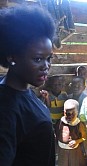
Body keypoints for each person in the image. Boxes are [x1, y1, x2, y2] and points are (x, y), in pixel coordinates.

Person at [0, 6, 55, 165]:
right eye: (38, 59)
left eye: (49, 58)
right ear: (12, 57)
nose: (46, 66)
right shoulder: (5, 109)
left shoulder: (23, 90)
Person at [55, 99, 87, 166]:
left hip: (74, 152)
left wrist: (77, 141)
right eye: (68, 114)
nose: (70, 116)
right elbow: (57, 135)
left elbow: (84, 137)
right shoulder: (60, 122)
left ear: (77, 113)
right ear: (64, 113)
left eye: (73, 114)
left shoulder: (79, 124)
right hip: (62, 151)